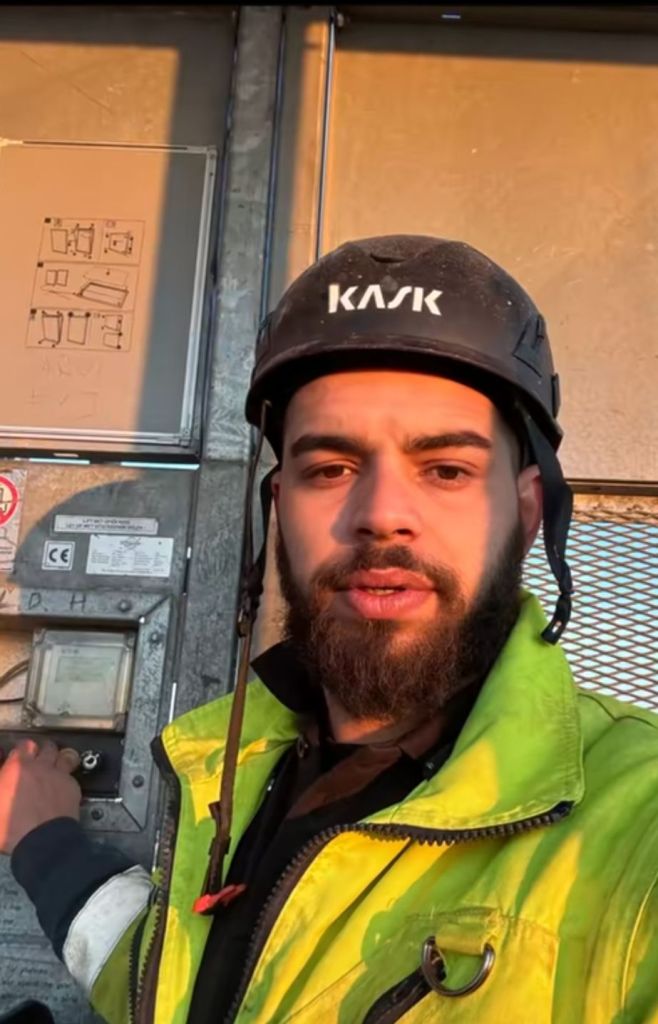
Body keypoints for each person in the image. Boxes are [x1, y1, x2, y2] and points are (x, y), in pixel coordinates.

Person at [2, 234, 658, 1024]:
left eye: (446, 469)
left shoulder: (635, 824)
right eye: (330, 469)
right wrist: (44, 839)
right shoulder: (234, 769)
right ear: (281, 509)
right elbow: (171, 984)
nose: (381, 514)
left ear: (525, 515)